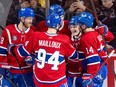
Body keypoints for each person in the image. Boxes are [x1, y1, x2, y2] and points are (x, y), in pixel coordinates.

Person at [8, 13, 78, 87]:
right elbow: (74, 56)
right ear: (58, 25)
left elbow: (21, 52)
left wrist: (12, 48)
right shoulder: (64, 39)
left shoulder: (36, 36)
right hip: (57, 81)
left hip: (39, 81)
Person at [74, 11, 111, 87]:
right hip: (102, 68)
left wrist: (89, 76)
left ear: (83, 26)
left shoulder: (86, 38)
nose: (77, 27)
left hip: (97, 70)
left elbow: (94, 59)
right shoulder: (95, 33)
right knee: (79, 81)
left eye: (79, 25)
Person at [0, 7, 35, 87]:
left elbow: (34, 52)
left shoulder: (32, 33)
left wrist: (32, 59)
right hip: (10, 71)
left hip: (27, 72)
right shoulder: (8, 30)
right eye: (29, 19)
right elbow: (2, 51)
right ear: (22, 18)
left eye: (32, 19)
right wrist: (2, 66)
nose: (31, 21)